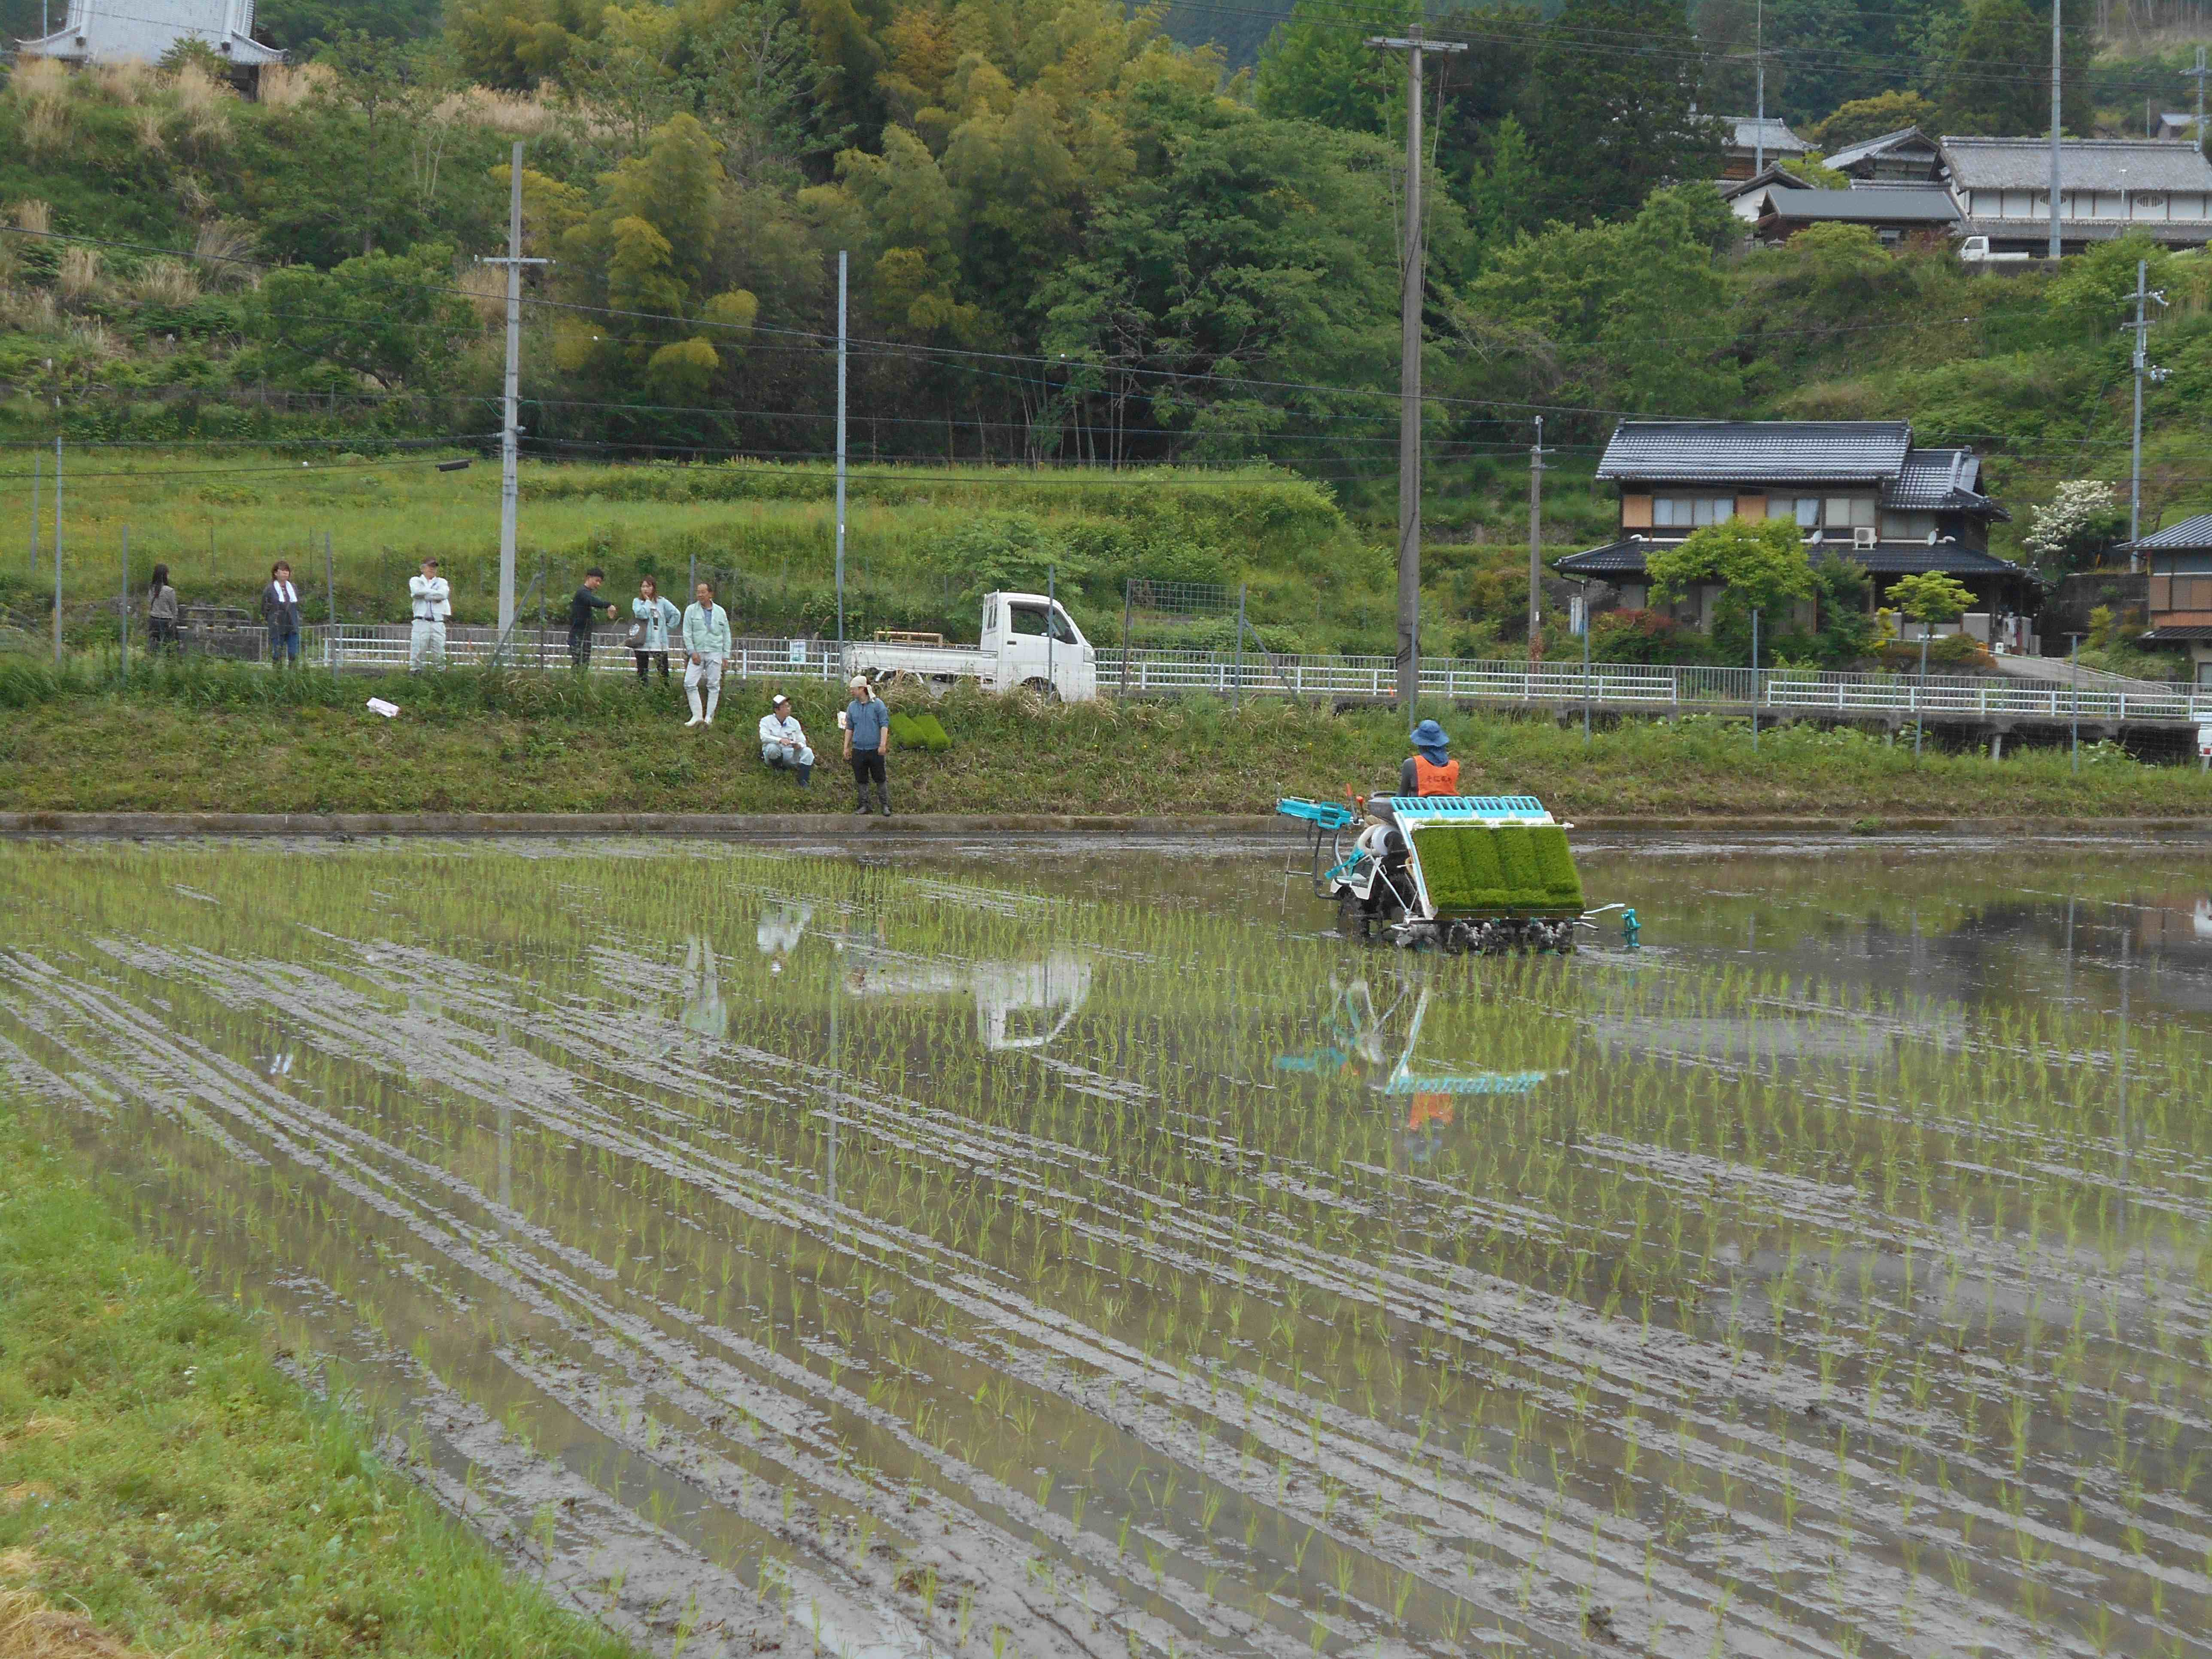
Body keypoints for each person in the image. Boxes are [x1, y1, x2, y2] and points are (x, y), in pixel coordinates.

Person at [681, 579, 731, 727]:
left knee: (714, 685)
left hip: (715, 652)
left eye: (703, 592)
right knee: (689, 683)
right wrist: (692, 652)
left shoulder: (721, 612)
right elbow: (687, 633)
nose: (700, 595)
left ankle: (709, 717)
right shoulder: (691, 610)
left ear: (711, 594)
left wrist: (726, 655)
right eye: (698, 592)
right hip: (697, 652)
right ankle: (697, 716)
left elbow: (727, 634)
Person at [842, 674, 890, 816]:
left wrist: (883, 744)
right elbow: (849, 727)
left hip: (875, 749)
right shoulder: (852, 707)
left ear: (862, 689)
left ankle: (885, 805)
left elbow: (884, 725)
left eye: (854, 689)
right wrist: (846, 746)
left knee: (880, 777)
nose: (852, 692)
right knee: (861, 779)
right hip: (859, 749)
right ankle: (864, 805)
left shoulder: (878, 705)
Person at [631, 574, 679, 684]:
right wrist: (648, 602)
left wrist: (667, 629)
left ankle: (664, 696)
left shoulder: (662, 602)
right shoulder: (637, 602)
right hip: (642, 643)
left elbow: (676, 614)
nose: (646, 589)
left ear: (654, 588)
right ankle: (643, 695)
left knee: (664, 673)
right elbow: (641, 614)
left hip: (659, 644)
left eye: (648, 586)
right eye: (643, 587)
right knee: (642, 674)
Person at [568, 566, 617, 671]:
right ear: (589, 578)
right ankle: (576, 685)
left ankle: (579, 684)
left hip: (584, 634)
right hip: (578, 635)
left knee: (583, 664)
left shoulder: (586, 593)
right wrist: (609, 605)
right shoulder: (583, 592)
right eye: (597, 581)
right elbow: (594, 602)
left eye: (600, 582)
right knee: (579, 664)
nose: (598, 584)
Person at [757, 693, 814, 783]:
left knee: (808, 751)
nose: (788, 709)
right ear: (777, 709)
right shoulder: (766, 721)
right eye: (785, 707)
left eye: (789, 706)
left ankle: (803, 780)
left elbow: (802, 740)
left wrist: (799, 745)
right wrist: (780, 740)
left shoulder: (794, 722)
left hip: (790, 753)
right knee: (772, 748)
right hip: (773, 754)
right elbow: (764, 737)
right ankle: (777, 770)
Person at [408, 556, 450, 672]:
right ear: (423, 568)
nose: (432, 569)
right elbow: (416, 592)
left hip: (437, 622)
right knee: (418, 650)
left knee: (439, 651)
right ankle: (415, 674)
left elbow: (443, 595)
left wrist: (425, 595)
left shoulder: (442, 582)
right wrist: (434, 594)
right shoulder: (416, 580)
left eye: (434, 567)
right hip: (421, 621)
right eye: (429, 566)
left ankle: (440, 674)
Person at [1400, 718, 1460, 798]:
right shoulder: (1454, 766)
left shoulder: (1411, 764)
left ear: (1420, 744)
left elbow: (1402, 796)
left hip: (1419, 809)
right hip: (1448, 809)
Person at [262, 560, 303, 668]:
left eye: (287, 571)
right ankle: (277, 676)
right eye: (283, 571)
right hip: (277, 627)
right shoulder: (270, 589)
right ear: (276, 573)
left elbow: (297, 605)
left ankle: (293, 677)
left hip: (292, 626)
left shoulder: (293, 587)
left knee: (293, 654)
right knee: (277, 655)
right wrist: (272, 620)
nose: (286, 573)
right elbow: (264, 608)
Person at [146, 564, 179, 656]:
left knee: (154, 646)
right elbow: (174, 609)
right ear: (165, 575)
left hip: (153, 620)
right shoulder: (169, 591)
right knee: (170, 646)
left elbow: (149, 603)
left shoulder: (152, 589)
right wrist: (174, 620)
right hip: (166, 622)